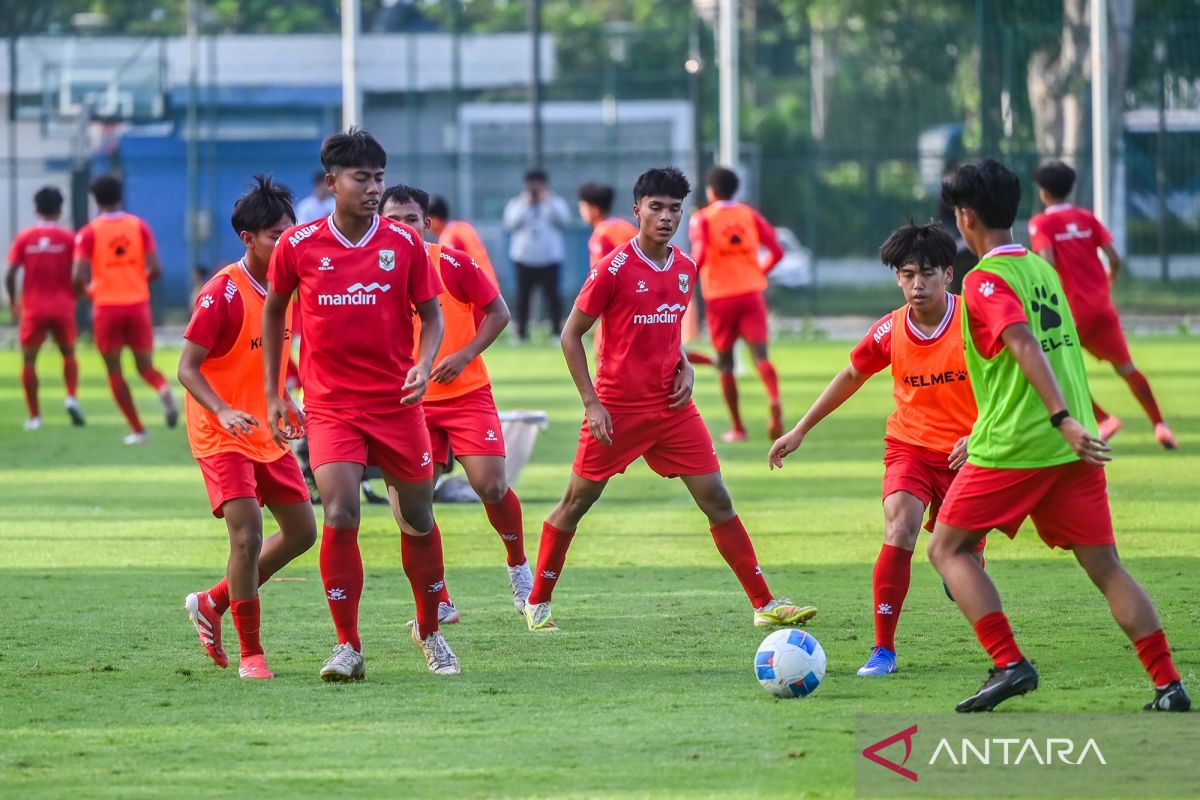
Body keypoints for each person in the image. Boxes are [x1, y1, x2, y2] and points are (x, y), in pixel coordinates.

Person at [928, 159, 1189, 713]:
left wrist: (1058, 418)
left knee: (947, 548)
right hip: (1072, 447)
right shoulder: (1042, 272)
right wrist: (1062, 424)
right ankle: (1169, 684)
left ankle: (1009, 663)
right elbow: (1026, 362)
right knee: (1106, 567)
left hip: (1022, 444)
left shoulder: (983, 280)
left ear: (965, 216)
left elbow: (1023, 343)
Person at [522, 166, 817, 633]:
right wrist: (592, 403)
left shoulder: (685, 268)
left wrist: (685, 365)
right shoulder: (613, 269)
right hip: (617, 410)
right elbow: (570, 335)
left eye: (674, 209)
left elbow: (668, 328)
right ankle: (537, 601)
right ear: (637, 210)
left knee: (717, 498)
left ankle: (764, 603)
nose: (665, 217)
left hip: (672, 409)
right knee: (576, 503)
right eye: (655, 207)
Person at [262, 128, 459, 679]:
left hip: (398, 406)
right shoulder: (298, 245)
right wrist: (275, 390)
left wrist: (424, 362)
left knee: (417, 516)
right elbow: (274, 311)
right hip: (331, 408)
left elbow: (433, 316)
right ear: (332, 182)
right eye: (361, 178)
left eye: (378, 178)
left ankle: (430, 631)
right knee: (341, 510)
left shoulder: (404, 245)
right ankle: (347, 646)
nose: (373, 188)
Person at [768, 221, 979, 677]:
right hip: (910, 447)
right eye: (907, 274)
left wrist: (981, 432)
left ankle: (961, 564)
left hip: (969, 454)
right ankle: (883, 650)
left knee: (962, 560)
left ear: (949, 273)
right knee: (899, 525)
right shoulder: (890, 330)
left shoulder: (975, 322)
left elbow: (1014, 382)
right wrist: (801, 429)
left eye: (927, 273)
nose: (917, 284)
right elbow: (851, 375)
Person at [179, 176, 316, 680]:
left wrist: (286, 399)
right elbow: (187, 368)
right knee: (248, 536)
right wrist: (222, 410)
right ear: (248, 239)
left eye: (291, 232)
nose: (288, 242)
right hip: (221, 433)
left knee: (302, 532)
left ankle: (213, 601)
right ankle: (251, 654)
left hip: (265, 430)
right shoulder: (222, 292)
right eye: (277, 235)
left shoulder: (288, 288)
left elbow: (272, 358)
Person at [380, 184, 531, 622]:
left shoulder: (452, 262)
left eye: (411, 219)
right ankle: (439, 600)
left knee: (491, 485)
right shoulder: (368, 275)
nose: (402, 227)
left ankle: (519, 567)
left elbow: (499, 312)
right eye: (393, 220)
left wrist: (464, 356)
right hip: (408, 403)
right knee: (413, 508)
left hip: (466, 393)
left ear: (426, 224)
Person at [1029, 161, 1176, 449]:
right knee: (1127, 369)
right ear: (1070, 189)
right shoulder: (1087, 218)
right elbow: (1114, 257)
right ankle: (1160, 425)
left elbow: (1047, 262)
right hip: (1102, 309)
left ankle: (1104, 419)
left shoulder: (1041, 224)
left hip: (1069, 313)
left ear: (1044, 193)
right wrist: (1111, 277)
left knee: (1053, 372)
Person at [72, 174, 178, 444]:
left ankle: (139, 430)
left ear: (96, 200)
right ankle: (163, 388)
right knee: (145, 366)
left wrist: (90, 293)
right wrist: (136, 281)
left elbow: (77, 275)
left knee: (114, 371)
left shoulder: (89, 232)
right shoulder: (138, 226)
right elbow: (155, 268)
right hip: (137, 305)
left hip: (107, 308)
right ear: (120, 196)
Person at [688, 166, 786, 442]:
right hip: (751, 292)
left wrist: (684, 281)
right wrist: (759, 272)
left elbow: (700, 254)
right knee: (761, 356)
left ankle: (738, 428)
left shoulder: (702, 218)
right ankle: (774, 399)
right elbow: (777, 251)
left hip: (720, 296)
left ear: (711, 191)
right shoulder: (749, 214)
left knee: (725, 363)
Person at [6, 186, 85, 430]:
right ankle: (71, 397)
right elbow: (79, 272)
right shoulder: (69, 238)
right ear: (60, 210)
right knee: (68, 353)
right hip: (62, 306)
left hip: (33, 308)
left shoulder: (25, 237)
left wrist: (13, 301)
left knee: (29, 361)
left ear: (36, 208)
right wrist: (76, 295)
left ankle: (35, 417)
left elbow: (9, 274)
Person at [502, 168, 571, 341]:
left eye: (538, 183)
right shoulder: (517, 203)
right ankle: (520, 333)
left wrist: (548, 202)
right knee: (523, 297)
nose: (535, 187)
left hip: (550, 257)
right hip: (524, 257)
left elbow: (565, 220)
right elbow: (510, 223)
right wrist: (526, 204)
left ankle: (557, 332)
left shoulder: (554, 202)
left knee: (553, 297)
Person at [428, 195, 499, 286]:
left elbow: (450, 271)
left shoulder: (448, 237)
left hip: (478, 289)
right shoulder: (463, 227)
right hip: (490, 285)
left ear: (435, 220)